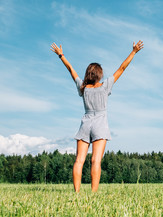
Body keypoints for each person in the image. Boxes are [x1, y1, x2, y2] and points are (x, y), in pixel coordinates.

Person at [51, 41, 144, 192]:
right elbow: (122, 68)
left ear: (88, 74)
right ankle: (93, 194)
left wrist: (61, 55)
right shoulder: (105, 85)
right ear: (100, 74)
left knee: (79, 160)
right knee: (96, 160)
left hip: (85, 123)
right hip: (100, 124)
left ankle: (77, 193)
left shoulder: (83, 87)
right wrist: (133, 52)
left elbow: (71, 70)